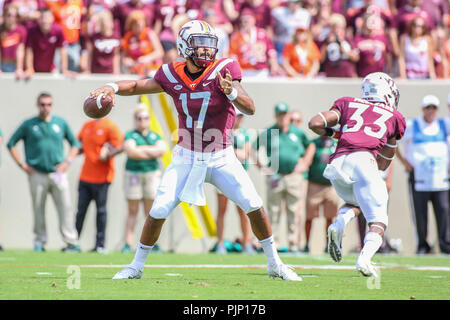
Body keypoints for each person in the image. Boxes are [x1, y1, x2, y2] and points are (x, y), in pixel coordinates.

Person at [89, 19, 301, 281]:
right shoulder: (171, 73)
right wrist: (111, 87)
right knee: (159, 208)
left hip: (221, 156)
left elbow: (251, 107)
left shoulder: (225, 69)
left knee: (253, 204)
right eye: (199, 44)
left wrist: (232, 93)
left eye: (209, 44)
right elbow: (136, 86)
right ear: (184, 46)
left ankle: (275, 263)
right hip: (186, 156)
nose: (205, 50)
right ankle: (136, 266)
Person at [308, 72, 406, 277]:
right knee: (379, 220)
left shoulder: (347, 103)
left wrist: (336, 133)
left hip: (337, 163)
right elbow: (383, 163)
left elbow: (315, 123)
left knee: (356, 201)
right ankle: (365, 259)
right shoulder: (395, 117)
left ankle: (338, 224)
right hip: (364, 161)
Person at [7, 92, 81, 252]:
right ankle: (40, 242)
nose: (45, 107)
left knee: (66, 207)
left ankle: (71, 241)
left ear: (52, 105)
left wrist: (67, 162)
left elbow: (75, 144)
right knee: (38, 208)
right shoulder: (29, 124)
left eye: (48, 104)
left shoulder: (60, 123)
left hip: (58, 173)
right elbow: (11, 143)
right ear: (37, 105)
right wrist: (22, 165)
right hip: (37, 173)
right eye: (42, 104)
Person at [253, 102, 315, 252]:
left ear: (288, 115)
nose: (282, 118)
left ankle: (293, 243)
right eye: (279, 115)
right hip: (275, 176)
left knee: (293, 210)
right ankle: (274, 244)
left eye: (285, 114)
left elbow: (311, 146)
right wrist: (262, 166)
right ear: (276, 116)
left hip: (293, 176)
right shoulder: (269, 132)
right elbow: (254, 148)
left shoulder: (297, 132)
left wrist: (305, 163)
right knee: (273, 210)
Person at [396, 94, 450, 254]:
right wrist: (405, 163)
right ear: (422, 109)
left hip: (440, 178)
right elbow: (394, 143)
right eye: (428, 107)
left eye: (434, 107)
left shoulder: (444, 124)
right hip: (419, 177)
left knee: (444, 210)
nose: (431, 111)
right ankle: (422, 245)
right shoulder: (413, 125)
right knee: (420, 213)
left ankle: (445, 245)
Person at [121, 104, 166, 254]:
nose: (143, 121)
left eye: (146, 118)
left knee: (151, 211)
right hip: (134, 174)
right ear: (135, 119)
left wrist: (141, 150)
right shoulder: (130, 135)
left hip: (151, 174)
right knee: (132, 210)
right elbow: (131, 152)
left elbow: (162, 150)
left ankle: (152, 243)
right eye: (139, 118)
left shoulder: (155, 135)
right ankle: (127, 243)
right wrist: (150, 151)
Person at [75, 116, 124, 253]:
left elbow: (121, 146)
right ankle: (73, 242)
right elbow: (78, 144)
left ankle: (100, 245)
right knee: (80, 211)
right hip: (85, 176)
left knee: (101, 211)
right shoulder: (87, 125)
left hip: (102, 178)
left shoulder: (110, 126)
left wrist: (108, 153)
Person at [215, 108, 255, 254]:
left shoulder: (245, 134)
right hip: (222, 175)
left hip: (239, 175)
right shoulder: (222, 132)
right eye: (237, 116)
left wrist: (230, 152)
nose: (238, 119)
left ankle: (247, 243)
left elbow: (244, 154)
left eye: (240, 117)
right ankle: (219, 243)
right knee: (221, 211)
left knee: (244, 211)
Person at [303, 135, 339, 254]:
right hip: (315, 184)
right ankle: (307, 244)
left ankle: (329, 245)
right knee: (310, 217)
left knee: (330, 217)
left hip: (331, 185)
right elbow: (307, 160)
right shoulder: (314, 143)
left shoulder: (335, 143)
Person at [228, 8, 282, 77]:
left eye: (248, 20)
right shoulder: (236, 37)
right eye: (243, 20)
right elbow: (233, 55)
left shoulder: (262, 33)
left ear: (253, 20)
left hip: (262, 70)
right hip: (245, 71)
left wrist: (274, 65)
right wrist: (238, 69)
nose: (245, 22)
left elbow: (271, 51)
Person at [24, 8, 70, 78]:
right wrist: (29, 68)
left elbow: (63, 50)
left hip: (50, 69)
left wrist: (64, 69)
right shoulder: (32, 31)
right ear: (38, 20)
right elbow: (29, 50)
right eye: (42, 18)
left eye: (48, 17)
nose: (45, 20)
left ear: (52, 18)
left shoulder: (58, 30)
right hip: (33, 70)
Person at [121, 9, 164, 77]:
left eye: (141, 24)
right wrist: (127, 61)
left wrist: (147, 58)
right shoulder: (128, 37)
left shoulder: (150, 33)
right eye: (136, 25)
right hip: (135, 70)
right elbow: (124, 56)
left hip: (152, 68)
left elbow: (160, 52)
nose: (139, 27)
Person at [80, 9, 121, 74]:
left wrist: (116, 70)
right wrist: (87, 69)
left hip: (110, 71)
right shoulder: (94, 37)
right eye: (102, 21)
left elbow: (116, 55)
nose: (104, 23)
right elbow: (89, 54)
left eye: (106, 21)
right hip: (96, 71)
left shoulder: (116, 37)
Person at [319, 13, 358, 78]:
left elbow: (356, 57)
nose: (335, 29)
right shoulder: (327, 39)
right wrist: (327, 44)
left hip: (347, 74)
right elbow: (321, 59)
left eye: (338, 26)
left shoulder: (347, 39)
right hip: (331, 74)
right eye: (333, 26)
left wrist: (344, 51)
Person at [0, 4, 26, 78]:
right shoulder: (1, 30)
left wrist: (19, 68)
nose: (11, 18)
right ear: (4, 16)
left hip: (15, 65)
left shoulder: (21, 30)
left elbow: (20, 50)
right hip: (3, 64)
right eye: (9, 15)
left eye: (14, 16)